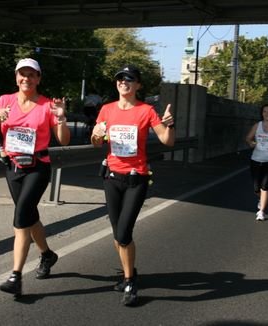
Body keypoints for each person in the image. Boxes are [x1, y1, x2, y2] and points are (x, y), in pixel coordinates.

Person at [0, 58, 70, 297]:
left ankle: (15, 275)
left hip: (37, 167)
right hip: (12, 167)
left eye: (32, 75)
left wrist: (61, 117)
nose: (27, 79)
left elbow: (63, 140)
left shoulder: (47, 105)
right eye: (22, 74)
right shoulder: (4, 101)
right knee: (30, 216)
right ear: (16, 77)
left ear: (39, 79)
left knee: (21, 217)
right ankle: (47, 254)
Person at [91, 64, 175, 306]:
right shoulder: (106, 110)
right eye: (120, 78)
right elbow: (97, 142)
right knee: (118, 234)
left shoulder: (146, 111)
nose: (123, 82)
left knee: (124, 233)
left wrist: (169, 123)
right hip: (112, 178)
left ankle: (129, 281)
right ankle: (130, 271)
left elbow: (167, 141)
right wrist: (96, 134)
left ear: (138, 85)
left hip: (136, 178)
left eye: (129, 78)